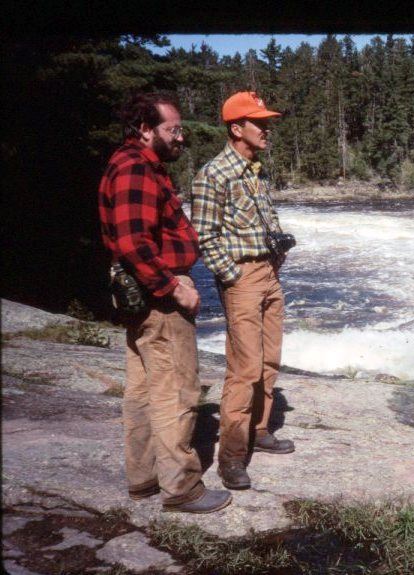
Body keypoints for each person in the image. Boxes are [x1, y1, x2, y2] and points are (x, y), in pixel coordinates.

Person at [98, 92, 232, 513]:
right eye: (172, 129)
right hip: (159, 298)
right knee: (176, 390)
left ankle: (144, 479)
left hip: (140, 297)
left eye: (180, 129)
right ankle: (181, 488)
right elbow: (132, 242)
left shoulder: (132, 165)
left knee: (142, 390)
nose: (180, 137)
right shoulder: (136, 169)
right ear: (145, 129)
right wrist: (175, 287)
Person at [192, 91, 294, 491]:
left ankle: (260, 429)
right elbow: (204, 234)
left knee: (270, 359)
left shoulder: (258, 171)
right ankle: (231, 457)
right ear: (237, 128)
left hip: (269, 274)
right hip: (243, 280)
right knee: (245, 368)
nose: (266, 130)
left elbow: (268, 219)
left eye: (266, 123)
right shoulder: (213, 174)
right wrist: (231, 276)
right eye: (259, 124)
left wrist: (277, 251)